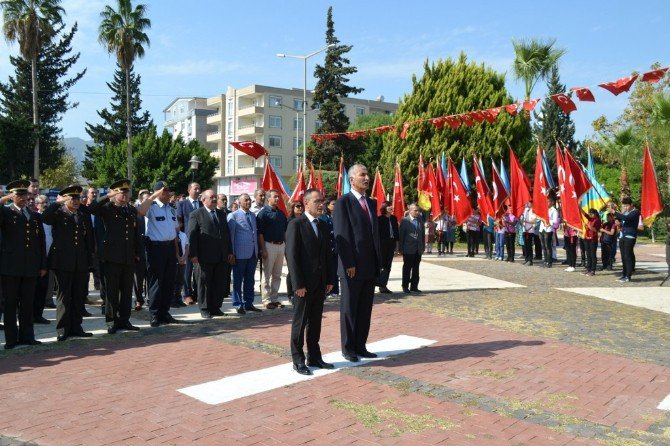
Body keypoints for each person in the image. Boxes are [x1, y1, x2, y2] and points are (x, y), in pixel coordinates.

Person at [333, 164, 381, 362]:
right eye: (363, 174)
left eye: (367, 174)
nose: (367, 178)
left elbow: (372, 234)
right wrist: (348, 263)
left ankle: (361, 345)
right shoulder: (344, 202)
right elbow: (342, 234)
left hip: (369, 264)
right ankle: (348, 348)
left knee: (364, 309)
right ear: (352, 179)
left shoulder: (370, 203)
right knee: (350, 308)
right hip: (352, 266)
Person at [286, 189, 335, 375]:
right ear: (306, 203)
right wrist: (297, 284)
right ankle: (297, 359)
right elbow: (291, 256)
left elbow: (327, 255)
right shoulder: (296, 224)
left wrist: (330, 279)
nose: (321, 204)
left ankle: (314, 356)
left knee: (315, 322)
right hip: (303, 285)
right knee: (300, 321)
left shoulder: (322, 225)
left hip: (320, 283)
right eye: (317, 201)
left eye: (322, 200)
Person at [41, 185, 94, 341]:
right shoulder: (58, 213)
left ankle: (76, 327)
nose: (76, 201)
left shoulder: (82, 214)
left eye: (78, 198)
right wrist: (58, 203)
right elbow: (45, 217)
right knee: (64, 296)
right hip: (62, 261)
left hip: (80, 261)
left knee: (78, 295)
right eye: (73, 198)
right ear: (65, 199)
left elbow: (88, 238)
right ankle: (63, 329)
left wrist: (89, 258)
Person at [89, 180, 141, 334]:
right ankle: (111, 321)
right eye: (121, 192)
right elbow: (92, 208)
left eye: (126, 192)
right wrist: (108, 195)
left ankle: (125, 320)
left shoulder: (131, 210)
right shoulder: (107, 208)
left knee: (126, 291)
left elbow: (135, 234)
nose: (124, 195)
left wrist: (137, 252)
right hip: (111, 257)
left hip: (128, 257)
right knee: (111, 291)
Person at [0, 180, 47, 349]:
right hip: (11, 267)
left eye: (24, 194)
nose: (22, 198)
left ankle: (27, 336)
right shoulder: (6, 213)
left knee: (28, 304)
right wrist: (5, 198)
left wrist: (42, 265)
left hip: (30, 267)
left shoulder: (34, 215)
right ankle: (11, 340)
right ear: (13, 196)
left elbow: (41, 242)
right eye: (18, 195)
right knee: (11, 305)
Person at [138, 181, 181, 327]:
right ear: (158, 192)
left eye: (168, 191)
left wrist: (176, 253)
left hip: (169, 248)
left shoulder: (171, 208)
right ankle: (155, 314)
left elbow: (174, 233)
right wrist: (153, 196)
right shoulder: (152, 207)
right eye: (165, 191)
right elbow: (140, 212)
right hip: (156, 248)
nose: (168, 193)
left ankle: (165, 312)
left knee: (169, 281)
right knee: (156, 282)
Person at [188, 189, 234, 319]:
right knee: (204, 283)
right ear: (203, 200)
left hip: (221, 255)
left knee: (218, 282)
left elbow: (226, 234)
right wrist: (193, 254)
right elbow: (192, 235)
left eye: (215, 197)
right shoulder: (196, 214)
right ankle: (205, 308)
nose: (214, 199)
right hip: (204, 256)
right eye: (211, 197)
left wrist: (230, 251)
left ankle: (215, 307)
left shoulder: (221, 214)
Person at [227, 193, 262, 314]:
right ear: (239, 202)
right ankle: (238, 304)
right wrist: (231, 253)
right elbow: (231, 236)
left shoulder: (252, 215)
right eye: (246, 200)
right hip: (239, 253)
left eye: (249, 200)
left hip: (252, 253)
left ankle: (249, 303)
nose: (248, 202)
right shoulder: (233, 216)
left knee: (250, 280)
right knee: (237, 280)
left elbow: (254, 233)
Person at [256, 189, 288, 309]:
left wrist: (286, 247)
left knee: (277, 274)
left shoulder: (281, 214)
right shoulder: (263, 214)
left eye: (278, 197)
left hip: (281, 245)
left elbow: (285, 231)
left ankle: (275, 298)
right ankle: (266, 299)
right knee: (267, 274)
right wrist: (263, 249)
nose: (277, 199)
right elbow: (260, 233)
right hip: (269, 245)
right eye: (274, 197)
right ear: (268, 198)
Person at [176, 182, 202, 305]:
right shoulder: (181, 204)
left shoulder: (202, 204)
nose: (197, 191)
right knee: (187, 270)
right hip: (187, 241)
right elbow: (179, 223)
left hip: (201, 242)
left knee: (199, 269)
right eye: (195, 188)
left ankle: (198, 293)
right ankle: (186, 294)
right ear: (189, 190)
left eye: (199, 189)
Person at [33, 194, 56, 320]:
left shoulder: (51, 219)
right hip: (36, 258)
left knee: (44, 287)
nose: (45, 205)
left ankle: (38, 314)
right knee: (34, 289)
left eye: (47, 202)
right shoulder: (35, 217)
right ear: (37, 205)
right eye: (42, 203)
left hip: (48, 257)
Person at [398, 203, 425, 294]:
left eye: (418, 210)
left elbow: (422, 235)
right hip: (408, 249)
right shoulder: (405, 221)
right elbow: (401, 236)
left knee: (416, 268)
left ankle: (414, 286)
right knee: (407, 268)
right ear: (410, 210)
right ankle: (405, 286)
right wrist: (400, 248)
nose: (417, 212)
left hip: (418, 249)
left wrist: (423, 247)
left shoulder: (420, 220)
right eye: (415, 210)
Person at [613, 198, 640, 282]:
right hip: (622, 236)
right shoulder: (625, 212)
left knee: (628, 256)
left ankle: (628, 276)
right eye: (624, 206)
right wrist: (616, 219)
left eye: (627, 206)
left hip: (630, 236)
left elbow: (627, 218)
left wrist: (615, 212)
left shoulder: (635, 212)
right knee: (623, 256)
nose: (625, 207)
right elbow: (620, 218)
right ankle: (624, 274)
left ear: (631, 204)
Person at [377, 201, 399, 294]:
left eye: (391, 206)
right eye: (389, 206)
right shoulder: (379, 219)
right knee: (381, 265)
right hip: (382, 244)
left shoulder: (394, 218)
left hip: (391, 243)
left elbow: (396, 232)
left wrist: (397, 246)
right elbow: (377, 233)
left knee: (388, 265)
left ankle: (383, 285)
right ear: (384, 208)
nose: (391, 207)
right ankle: (377, 283)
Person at [133, 190, 150, 310]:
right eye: (145, 199)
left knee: (151, 275)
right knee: (138, 277)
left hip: (152, 248)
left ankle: (150, 298)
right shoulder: (136, 214)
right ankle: (138, 299)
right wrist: (135, 252)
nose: (148, 201)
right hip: (139, 249)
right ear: (140, 200)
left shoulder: (153, 211)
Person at [285, 201, 304, 302]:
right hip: (291, 248)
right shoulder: (289, 221)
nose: (300, 208)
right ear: (292, 208)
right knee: (291, 270)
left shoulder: (304, 220)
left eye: (301, 206)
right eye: (298, 206)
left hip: (302, 249)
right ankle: (290, 293)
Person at [319, 199, 339, 296]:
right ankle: (326, 290)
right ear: (327, 206)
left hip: (336, 246)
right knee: (327, 267)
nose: (335, 205)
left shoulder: (337, 216)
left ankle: (335, 290)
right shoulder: (323, 217)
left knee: (335, 268)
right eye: (333, 204)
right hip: (327, 246)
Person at [539, 196, 559, 268]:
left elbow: (555, 221)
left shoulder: (554, 210)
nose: (547, 203)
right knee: (543, 246)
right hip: (542, 228)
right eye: (546, 201)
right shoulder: (544, 209)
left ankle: (549, 262)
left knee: (548, 246)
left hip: (549, 229)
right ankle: (545, 260)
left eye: (548, 201)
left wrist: (548, 221)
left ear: (552, 202)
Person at [582, 208, 601, 276]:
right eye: (589, 213)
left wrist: (589, 226)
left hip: (593, 239)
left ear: (595, 214)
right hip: (587, 238)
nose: (590, 215)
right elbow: (584, 214)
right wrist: (578, 206)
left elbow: (596, 230)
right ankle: (588, 269)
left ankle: (593, 270)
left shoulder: (597, 220)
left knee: (593, 255)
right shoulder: (590, 219)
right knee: (588, 254)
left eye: (591, 214)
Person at [521, 201, 536, 265]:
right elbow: (521, 217)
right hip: (525, 229)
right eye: (527, 203)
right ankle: (526, 259)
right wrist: (522, 222)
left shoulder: (534, 211)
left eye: (529, 203)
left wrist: (525, 221)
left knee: (529, 246)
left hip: (530, 230)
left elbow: (533, 221)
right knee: (525, 246)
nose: (528, 204)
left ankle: (530, 260)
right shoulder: (525, 210)